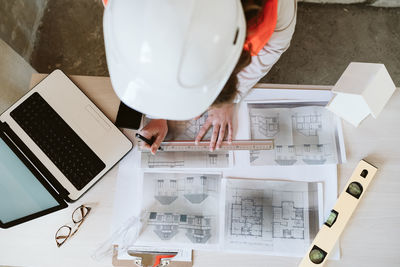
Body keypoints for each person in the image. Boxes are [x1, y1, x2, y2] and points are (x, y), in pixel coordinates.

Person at [103, 0, 297, 155]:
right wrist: (158, 110)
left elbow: (273, 46)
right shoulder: (121, 10)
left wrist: (231, 97)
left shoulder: (273, 7)